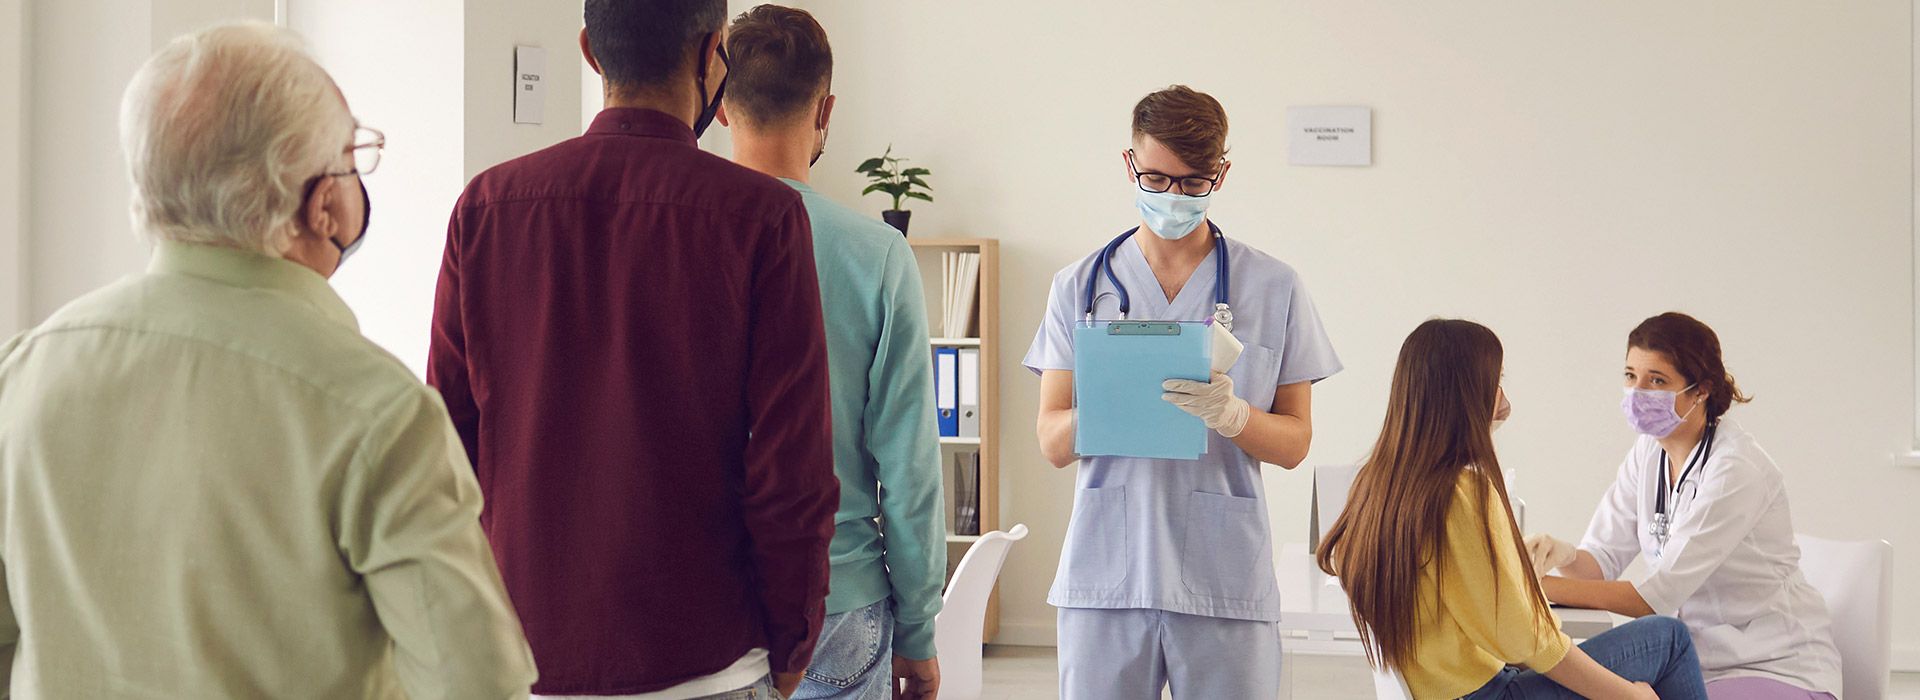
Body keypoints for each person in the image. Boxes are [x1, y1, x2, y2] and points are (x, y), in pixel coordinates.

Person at [0, 22, 535, 697]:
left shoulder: (23, 374)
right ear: (320, 205)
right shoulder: (378, 413)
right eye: (351, 158)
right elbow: (475, 685)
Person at [425, 0, 839, 697]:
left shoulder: (486, 208)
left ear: (591, 52)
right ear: (714, 57)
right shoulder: (763, 219)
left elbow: (444, 451)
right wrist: (793, 639)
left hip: (523, 655)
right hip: (707, 660)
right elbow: (791, 468)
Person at [1025, 85, 1341, 699]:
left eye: (1195, 183)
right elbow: (1052, 442)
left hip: (1223, 576)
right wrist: (1115, 399)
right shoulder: (1078, 287)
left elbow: (1294, 443)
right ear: (1129, 165)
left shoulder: (1273, 286)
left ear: (1221, 172)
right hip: (1107, 576)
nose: (1174, 196)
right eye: (1157, 178)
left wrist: (1233, 414)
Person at [717, 6, 943, 700]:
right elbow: (907, 467)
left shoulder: (679, 239)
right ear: (826, 109)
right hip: (837, 599)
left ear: (722, 107)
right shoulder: (877, 254)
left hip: (708, 598)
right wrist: (919, 632)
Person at [1317, 319, 1707, 700]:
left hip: (1448, 686)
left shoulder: (1379, 483)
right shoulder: (1461, 492)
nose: (1503, 397)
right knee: (1669, 639)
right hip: (1484, 692)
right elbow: (1526, 641)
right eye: (1496, 382)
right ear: (1470, 393)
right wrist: (1627, 696)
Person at [1526, 312, 1843, 700]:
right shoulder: (1648, 452)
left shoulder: (1735, 469)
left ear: (1702, 390)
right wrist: (1562, 552)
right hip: (1692, 662)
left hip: (1772, 665)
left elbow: (1652, 599)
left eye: (1657, 381)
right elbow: (1598, 566)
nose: (1638, 392)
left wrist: (1533, 587)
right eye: (1630, 376)